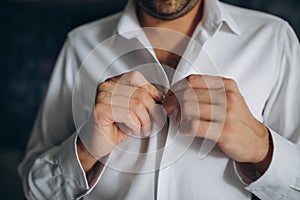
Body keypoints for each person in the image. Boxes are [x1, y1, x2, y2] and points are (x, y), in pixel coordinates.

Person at [18, 0, 300, 199]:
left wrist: (260, 147)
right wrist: (86, 149)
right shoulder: (80, 44)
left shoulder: (273, 40)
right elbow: (36, 192)